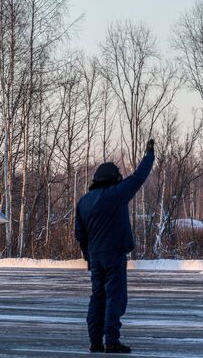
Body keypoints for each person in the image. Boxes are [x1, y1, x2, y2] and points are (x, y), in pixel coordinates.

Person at [75, 139, 155, 354]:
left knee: (97, 297)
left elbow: (80, 234)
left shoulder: (83, 202)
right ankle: (111, 340)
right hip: (114, 255)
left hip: (95, 256)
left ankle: (94, 341)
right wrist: (149, 155)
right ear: (113, 179)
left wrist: (88, 255)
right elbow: (139, 177)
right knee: (114, 297)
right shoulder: (116, 194)